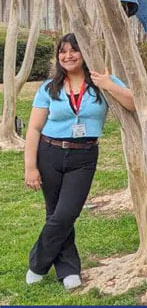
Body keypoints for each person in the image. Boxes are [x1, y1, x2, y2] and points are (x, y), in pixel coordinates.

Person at [23, 34, 135, 290]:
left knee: (65, 213)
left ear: (84, 54)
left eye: (74, 50)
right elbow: (33, 128)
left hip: (83, 156)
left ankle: (37, 264)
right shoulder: (48, 87)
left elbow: (133, 103)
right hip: (49, 152)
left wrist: (109, 84)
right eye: (63, 51)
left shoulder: (100, 81)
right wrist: (30, 166)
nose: (68, 56)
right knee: (55, 213)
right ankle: (68, 269)